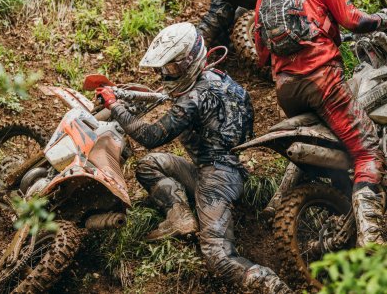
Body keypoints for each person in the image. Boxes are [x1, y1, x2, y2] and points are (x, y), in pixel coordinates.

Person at [94, 23, 291, 294]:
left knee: (218, 257)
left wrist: (114, 105)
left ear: (191, 59)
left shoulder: (194, 97)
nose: (167, 74)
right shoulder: (224, 82)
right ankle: (180, 216)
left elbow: (151, 136)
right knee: (149, 165)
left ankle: (275, 287)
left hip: (218, 180)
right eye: (165, 68)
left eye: (173, 68)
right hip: (219, 170)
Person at [253, 0, 387, 247]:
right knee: (368, 152)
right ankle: (371, 238)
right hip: (321, 79)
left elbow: (261, 54)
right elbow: (354, 20)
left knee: (333, 142)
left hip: (287, 90)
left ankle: (298, 205)